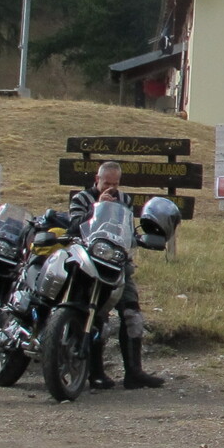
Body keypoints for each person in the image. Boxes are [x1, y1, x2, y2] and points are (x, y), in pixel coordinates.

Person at [67, 160, 164, 390]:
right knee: (96, 317)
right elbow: (73, 227)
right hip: (90, 263)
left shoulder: (125, 200)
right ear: (97, 180)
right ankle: (95, 373)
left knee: (132, 315)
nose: (111, 188)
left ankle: (134, 372)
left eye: (115, 184)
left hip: (117, 263)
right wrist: (97, 207)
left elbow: (127, 230)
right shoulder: (81, 198)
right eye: (106, 183)